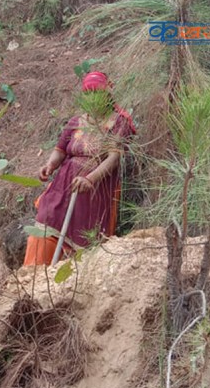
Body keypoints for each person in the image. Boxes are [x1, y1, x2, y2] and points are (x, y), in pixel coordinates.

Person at [24, 71, 135, 266]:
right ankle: (35, 272)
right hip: (64, 185)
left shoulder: (118, 122)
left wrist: (90, 179)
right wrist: (49, 165)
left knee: (85, 236)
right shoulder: (76, 121)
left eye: (97, 92)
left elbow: (114, 158)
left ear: (108, 92)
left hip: (94, 190)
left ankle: (70, 279)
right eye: (88, 93)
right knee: (46, 220)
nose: (93, 97)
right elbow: (60, 150)